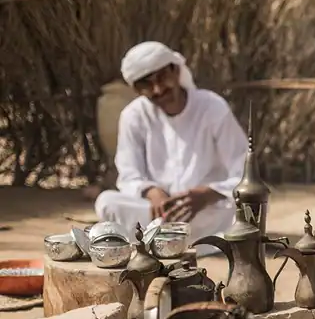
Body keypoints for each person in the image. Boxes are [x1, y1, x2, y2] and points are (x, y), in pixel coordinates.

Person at [94, 41, 249, 247]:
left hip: (208, 211)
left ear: (175, 71)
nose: (158, 89)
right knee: (107, 202)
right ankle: (166, 239)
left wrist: (207, 194)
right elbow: (129, 175)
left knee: (243, 212)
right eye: (146, 85)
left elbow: (243, 173)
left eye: (162, 78)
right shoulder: (133, 116)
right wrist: (152, 193)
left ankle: (161, 241)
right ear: (136, 89)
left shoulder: (212, 107)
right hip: (156, 212)